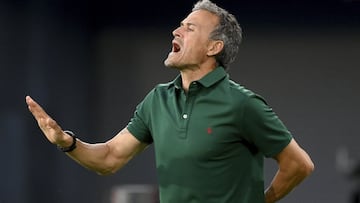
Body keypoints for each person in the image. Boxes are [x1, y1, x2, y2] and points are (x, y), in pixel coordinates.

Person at [26, 0, 314, 202]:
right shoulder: (157, 100)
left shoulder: (243, 105)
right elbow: (110, 158)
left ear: (214, 47)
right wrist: (68, 143)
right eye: (180, 26)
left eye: (190, 28)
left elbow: (299, 164)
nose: (177, 32)